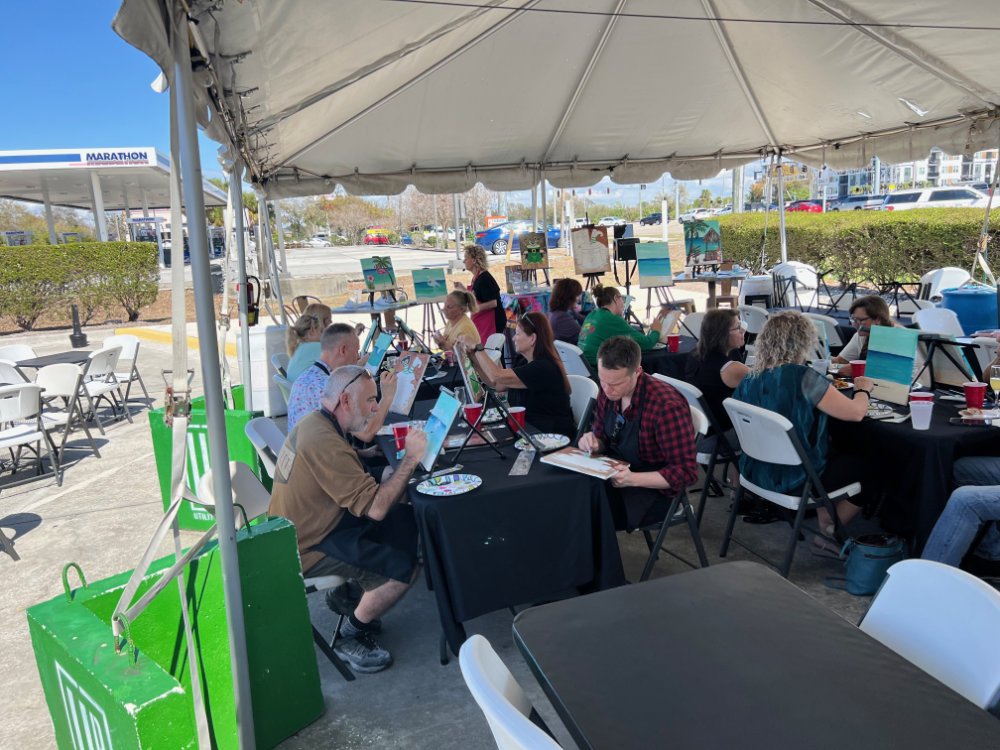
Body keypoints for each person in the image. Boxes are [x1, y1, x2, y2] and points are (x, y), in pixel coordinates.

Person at [269, 365, 428, 673]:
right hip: (309, 546)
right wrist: (410, 459)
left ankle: (348, 595)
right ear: (345, 400)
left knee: (401, 514)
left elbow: (343, 467)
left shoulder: (315, 423)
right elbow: (376, 508)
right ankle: (351, 633)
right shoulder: (324, 441)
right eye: (370, 400)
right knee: (404, 568)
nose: (373, 408)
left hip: (306, 527)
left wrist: (378, 466)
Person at [733, 311, 874, 548]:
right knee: (880, 467)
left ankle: (825, 515)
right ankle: (829, 529)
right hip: (797, 476)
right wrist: (863, 389)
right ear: (803, 341)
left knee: (836, 450)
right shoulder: (803, 376)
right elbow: (856, 413)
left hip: (754, 470)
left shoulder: (750, 377)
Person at [578, 336, 698, 531]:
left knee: (585, 516)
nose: (607, 389)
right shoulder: (608, 390)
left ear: (638, 371)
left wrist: (632, 479)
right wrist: (593, 442)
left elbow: (686, 472)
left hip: (654, 493)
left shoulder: (666, 407)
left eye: (615, 384)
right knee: (569, 495)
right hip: (617, 473)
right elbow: (602, 437)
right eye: (602, 380)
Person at [462, 312, 575, 437]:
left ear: (532, 338)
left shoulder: (543, 367)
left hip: (552, 437)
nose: (513, 338)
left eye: (518, 334)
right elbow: (498, 384)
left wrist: (477, 347)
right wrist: (473, 357)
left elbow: (496, 375)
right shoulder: (523, 361)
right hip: (530, 430)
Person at [286, 323, 397, 440]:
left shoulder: (311, 375)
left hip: (313, 453)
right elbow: (366, 432)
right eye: (357, 351)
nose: (358, 357)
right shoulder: (326, 386)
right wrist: (387, 397)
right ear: (343, 350)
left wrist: (360, 452)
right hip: (317, 457)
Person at [684, 308, 750, 434]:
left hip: (703, 427)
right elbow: (765, 383)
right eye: (738, 327)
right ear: (722, 335)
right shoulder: (731, 369)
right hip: (729, 430)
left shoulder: (694, 355)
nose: (743, 330)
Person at [832, 295, 924, 380]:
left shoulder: (900, 336)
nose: (854, 324)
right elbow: (841, 361)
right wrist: (821, 359)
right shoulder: (862, 334)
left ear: (877, 319)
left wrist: (858, 369)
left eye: (860, 320)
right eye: (853, 319)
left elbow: (896, 373)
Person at [577, 285, 668, 368]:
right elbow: (647, 343)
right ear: (616, 298)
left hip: (584, 367)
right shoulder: (610, 319)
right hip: (598, 370)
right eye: (623, 299)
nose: (623, 303)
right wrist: (656, 330)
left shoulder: (593, 315)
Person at [455, 244, 505, 343]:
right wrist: (463, 289)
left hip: (492, 323)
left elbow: (493, 303)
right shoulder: (477, 278)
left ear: (474, 260)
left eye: (466, 258)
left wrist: (473, 308)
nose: (464, 261)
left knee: (491, 354)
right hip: (483, 322)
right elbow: (476, 296)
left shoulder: (485, 279)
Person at [285, 303, 332, 382]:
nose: (331, 321)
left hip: (298, 391)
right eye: (327, 319)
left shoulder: (300, 345)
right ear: (312, 330)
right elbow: (340, 363)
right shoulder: (315, 346)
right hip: (308, 392)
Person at [547, 277, 585, 344]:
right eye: (577, 295)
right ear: (569, 297)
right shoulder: (561, 318)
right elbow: (584, 336)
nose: (578, 299)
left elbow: (585, 320)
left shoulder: (557, 312)